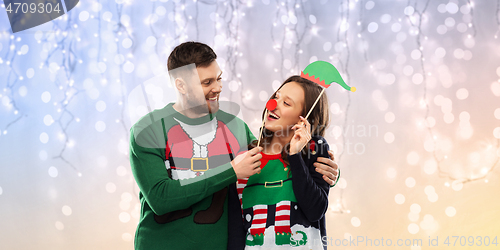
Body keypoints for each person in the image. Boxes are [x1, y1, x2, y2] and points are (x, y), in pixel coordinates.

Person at [129, 42, 339, 250]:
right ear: (181, 85)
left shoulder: (235, 128)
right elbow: (160, 198)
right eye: (207, 82)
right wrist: (230, 172)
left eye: (219, 78)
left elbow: (271, 157)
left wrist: (324, 171)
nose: (218, 88)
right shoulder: (148, 131)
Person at [236, 75, 331, 249]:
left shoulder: (314, 149)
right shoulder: (247, 157)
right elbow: (237, 225)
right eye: (276, 97)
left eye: (286, 103)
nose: (273, 105)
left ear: (303, 119)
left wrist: (294, 154)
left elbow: (315, 210)